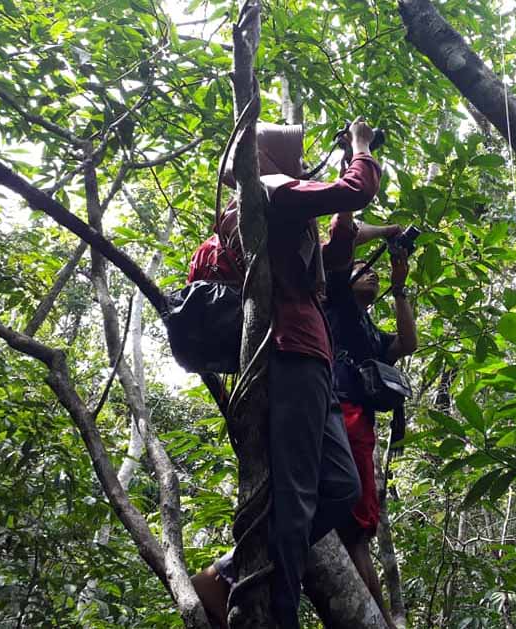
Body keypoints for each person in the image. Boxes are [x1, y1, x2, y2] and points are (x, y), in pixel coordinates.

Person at [191, 118, 382, 629]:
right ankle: (279, 612)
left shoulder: (281, 214)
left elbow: (336, 258)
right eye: (289, 152)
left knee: (341, 488)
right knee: (297, 495)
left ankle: (232, 570)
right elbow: (356, 189)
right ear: (265, 160)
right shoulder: (269, 193)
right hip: (289, 349)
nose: (298, 162)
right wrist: (360, 148)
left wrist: (342, 195)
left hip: (311, 354)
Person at [323, 226, 418, 628]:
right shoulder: (335, 303)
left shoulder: (367, 328)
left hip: (360, 424)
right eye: (363, 270)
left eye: (373, 271)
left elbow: (406, 344)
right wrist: (388, 232)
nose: (371, 273)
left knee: (360, 530)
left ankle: (376, 616)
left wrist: (398, 288)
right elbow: (341, 242)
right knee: (352, 527)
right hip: (335, 413)